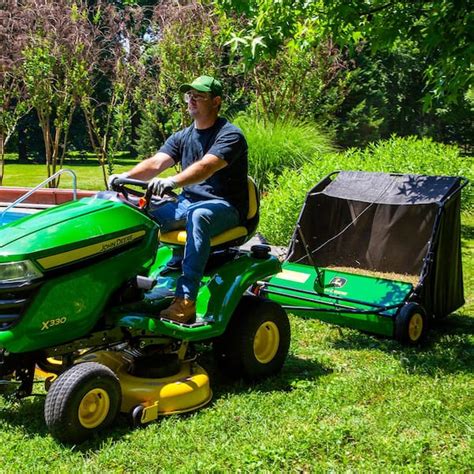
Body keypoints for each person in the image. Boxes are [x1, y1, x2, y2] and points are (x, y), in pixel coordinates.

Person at [109, 75, 248, 324]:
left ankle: (185, 301)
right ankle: (123, 284)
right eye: (189, 95)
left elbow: (206, 166)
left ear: (216, 101)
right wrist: (126, 176)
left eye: (199, 95)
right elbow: (156, 162)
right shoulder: (182, 136)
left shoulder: (230, 135)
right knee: (133, 209)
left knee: (199, 215)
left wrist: (173, 182)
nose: (192, 99)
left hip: (225, 207)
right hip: (187, 203)